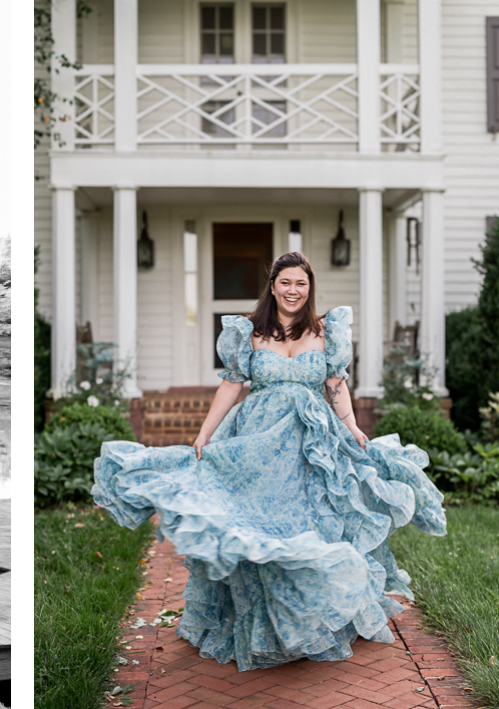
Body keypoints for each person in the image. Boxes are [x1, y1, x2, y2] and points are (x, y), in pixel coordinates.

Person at [92, 251, 446, 671]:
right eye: (286, 283)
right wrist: (205, 432)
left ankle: (312, 619)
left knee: (310, 523)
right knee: (256, 524)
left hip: (310, 443)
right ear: (273, 285)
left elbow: (335, 385)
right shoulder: (252, 332)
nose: (293, 291)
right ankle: (264, 621)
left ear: (309, 288)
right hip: (258, 442)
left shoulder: (325, 331)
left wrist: (351, 427)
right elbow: (231, 385)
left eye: (301, 284)